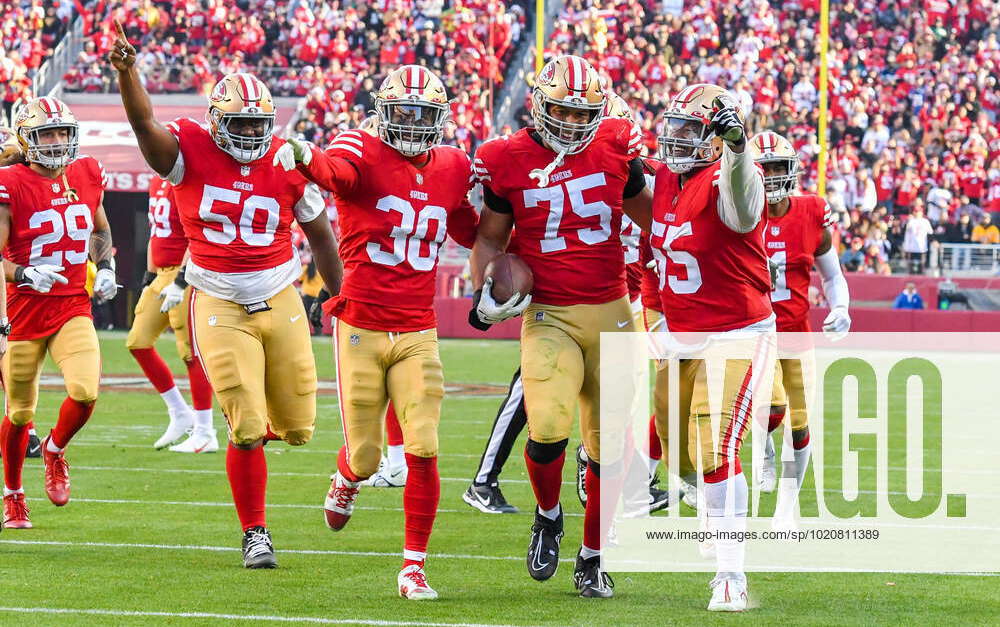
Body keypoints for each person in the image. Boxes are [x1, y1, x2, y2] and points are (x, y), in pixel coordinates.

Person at [112, 23, 343, 569]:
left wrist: (341, 297)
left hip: (280, 293)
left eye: (257, 124)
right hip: (216, 298)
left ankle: (348, 475)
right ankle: (255, 533)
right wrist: (128, 73)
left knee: (300, 427)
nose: (248, 133)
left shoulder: (287, 157)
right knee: (245, 424)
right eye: (238, 123)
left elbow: (321, 236)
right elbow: (144, 122)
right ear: (216, 121)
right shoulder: (189, 149)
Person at [274, 64, 479, 599]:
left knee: (425, 445)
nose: (412, 125)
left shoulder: (454, 165)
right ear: (384, 113)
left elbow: (467, 225)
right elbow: (336, 174)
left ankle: (413, 566)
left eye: (423, 116)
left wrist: (505, 242)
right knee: (366, 457)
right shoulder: (360, 147)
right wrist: (308, 157)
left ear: (440, 119)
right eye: (403, 113)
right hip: (361, 326)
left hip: (417, 329)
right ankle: (346, 476)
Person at [468, 55, 652, 598]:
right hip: (548, 313)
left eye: (583, 114)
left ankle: (592, 557)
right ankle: (548, 516)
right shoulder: (506, 157)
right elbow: (488, 238)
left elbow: (657, 219)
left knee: (610, 445)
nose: (572, 124)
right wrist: (483, 293)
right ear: (538, 104)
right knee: (547, 427)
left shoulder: (618, 146)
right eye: (563, 112)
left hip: (615, 311)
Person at [646, 83, 771, 611]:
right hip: (683, 334)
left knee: (718, 447)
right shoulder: (664, 182)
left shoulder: (733, 174)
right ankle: (713, 510)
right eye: (673, 126)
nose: (676, 138)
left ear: (718, 140)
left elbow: (742, 212)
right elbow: (653, 257)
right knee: (679, 449)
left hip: (737, 331)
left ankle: (731, 574)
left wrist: (740, 148)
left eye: (690, 130)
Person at [0, 96, 119, 529]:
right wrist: (24, 273)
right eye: (46, 133)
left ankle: (54, 449)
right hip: (22, 312)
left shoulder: (86, 173)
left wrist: (106, 266)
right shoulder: (9, 181)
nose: (56, 141)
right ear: (26, 139)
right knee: (18, 413)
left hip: (72, 305)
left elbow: (100, 229)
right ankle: (13, 496)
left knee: (86, 391)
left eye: (62, 132)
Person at [748, 131, 851, 525]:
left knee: (801, 422)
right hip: (754, 330)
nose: (772, 176)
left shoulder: (811, 212)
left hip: (797, 331)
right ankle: (764, 449)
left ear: (791, 170)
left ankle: (787, 507)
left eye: (778, 168)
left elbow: (832, 274)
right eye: (764, 168)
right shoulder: (739, 214)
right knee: (770, 408)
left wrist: (841, 305)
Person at [127, 176, 217, 452]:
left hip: (185, 274)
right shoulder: (156, 181)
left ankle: (205, 430)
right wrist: (149, 275)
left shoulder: (188, 182)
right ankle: (180, 413)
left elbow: (199, 235)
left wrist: (181, 280)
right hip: (161, 275)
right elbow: (158, 233)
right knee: (138, 342)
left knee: (191, 352)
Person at [902, 206, 933, 273]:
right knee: (911, 265)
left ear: (922, 212)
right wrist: (906, 247)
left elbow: (930, 233)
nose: (917, 213)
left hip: (922, 247)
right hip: (911, 247)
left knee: (921, 265)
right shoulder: (911, 221)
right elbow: (906, 233)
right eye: (915, 211)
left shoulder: (925, 221)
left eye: (918, 211)